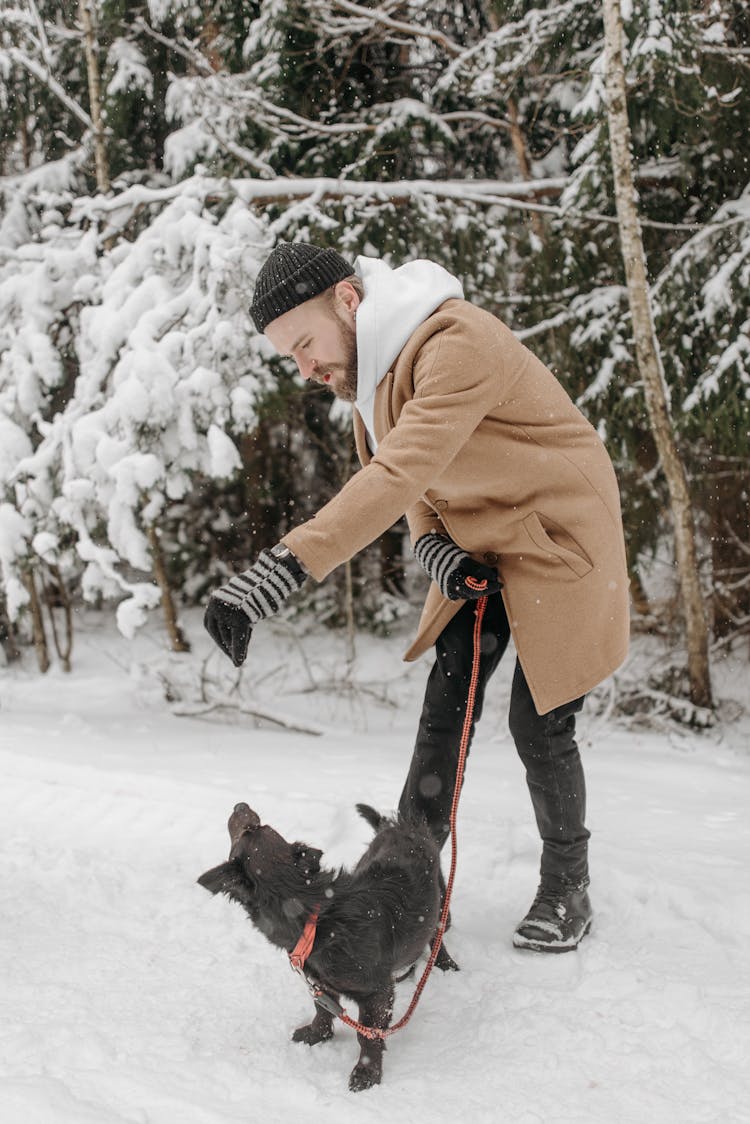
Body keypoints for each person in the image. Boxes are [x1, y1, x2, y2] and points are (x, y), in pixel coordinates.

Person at [204, 241, 630, 953]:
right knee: (446, 709)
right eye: (291, 358)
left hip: (559, 537)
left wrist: (275, 573)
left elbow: (398, 473)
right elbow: (420, 495)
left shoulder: (455, 343)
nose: (306, 369)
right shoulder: (370, 383)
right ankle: (411, 886)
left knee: (539, 721)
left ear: (349, 299)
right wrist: (435, 546)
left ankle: (568, 886)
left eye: (305, 344)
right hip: (479, 546)